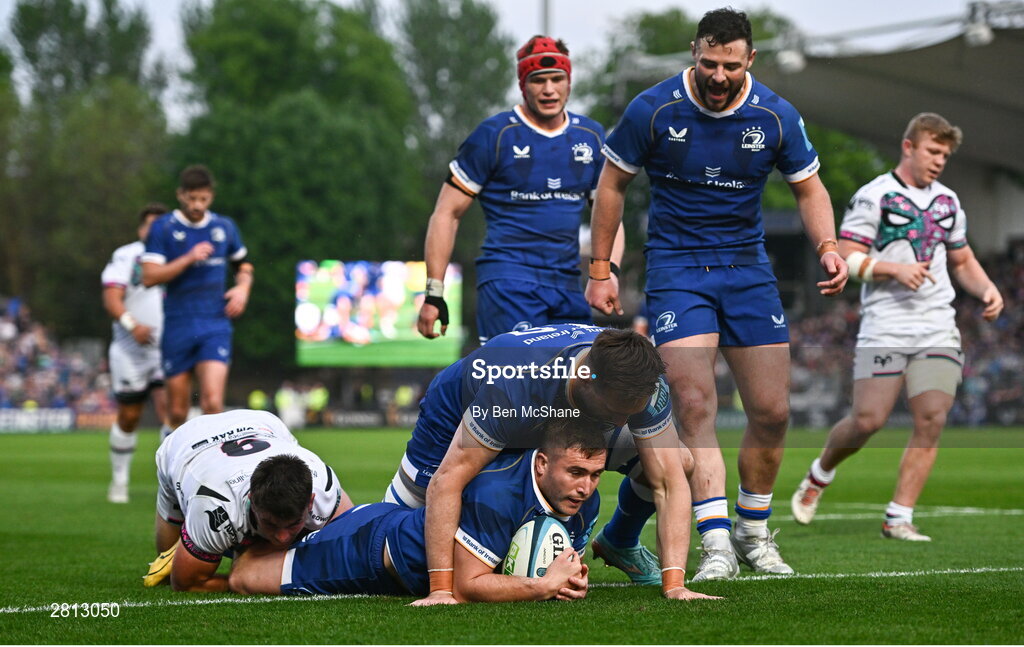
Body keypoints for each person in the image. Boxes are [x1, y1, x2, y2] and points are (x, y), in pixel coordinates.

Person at [585, 8, 848, 581]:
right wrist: (601, 269)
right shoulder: (653, 109)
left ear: (749, 60)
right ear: (693, 53)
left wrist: (828, 245)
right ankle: (717, 545)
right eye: (709, 62)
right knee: (697, 405)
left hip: (748, 271)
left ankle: (754, 532)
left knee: (773, 413)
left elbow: (810, 189)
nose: (719, 75)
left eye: (731, 64)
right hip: (678, 270)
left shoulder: (776, 116)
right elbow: (612, 186)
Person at [790, 113, 1003, 541]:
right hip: (886, 324)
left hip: (937, 325)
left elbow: (961, 260)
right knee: (868, 420)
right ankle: (819, 474)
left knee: (932, 419)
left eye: (945, 153)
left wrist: (987, 289)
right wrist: (892, 270)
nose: (939, 160)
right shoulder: (875, 196)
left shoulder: (948, 202)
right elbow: (845, 256)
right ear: (909, 147)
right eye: (932, 150)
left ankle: (898, 516)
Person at [386, 323, 706, 604]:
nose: (624, 422)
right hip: (462, 409)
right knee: (402, 523)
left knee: (680, 461)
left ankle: (619, 541)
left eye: (631, 414)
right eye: (617, 411)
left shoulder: (643, 385)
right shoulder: (514, 387)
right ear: (586, 382)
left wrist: (675, 585)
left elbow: (669, 482)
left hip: (567, 414)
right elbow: (448, 480)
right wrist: (441, 590)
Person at [230, 419, 717, 602]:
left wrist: (571, 576)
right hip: (375, 553)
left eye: (594, 475)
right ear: (542, 463)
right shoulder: (497, 493)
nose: (587, 487)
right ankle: (231, 528)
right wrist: (541, 585)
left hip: (397, 531)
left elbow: (545, 557)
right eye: (575, 473)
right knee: (246, 578)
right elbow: (468, 585)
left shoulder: (584, 503)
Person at [416, 35, 625, 344]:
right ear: (523, 85)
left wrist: (608, 274)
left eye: (558, 79)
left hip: (568, 285)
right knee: (516, 384)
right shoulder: (495, 135)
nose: (549, 89)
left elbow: (609, 215)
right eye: (539, 80)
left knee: (574, 386)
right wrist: (434, 292)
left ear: (569, 82)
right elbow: (446, 214)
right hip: (508, 283)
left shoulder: (590, 136)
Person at [142, 409, 353, 592]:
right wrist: (243, 580)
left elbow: (350, 549)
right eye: (270, 523)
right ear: (252, 500)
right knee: (167, 564)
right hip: (186, 444)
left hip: (261, 425)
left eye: (293, 524)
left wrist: (256, 562)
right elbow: (186, 583)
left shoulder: (323, 485)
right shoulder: (215, 505)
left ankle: (224, 538)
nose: (281, 537)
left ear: (310, 502)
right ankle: (197, 533)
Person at [141, 165, 253, 429]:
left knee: (213, 403)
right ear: (180, 195)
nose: (197, 205)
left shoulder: (224, 227)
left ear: (211, 197)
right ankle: (170, 467)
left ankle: (212, 470)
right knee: (178, 412)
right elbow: (149, 276)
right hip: (178, 323)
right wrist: (188, 258)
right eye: (192, 199)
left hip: (215, 322)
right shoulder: (163, 228)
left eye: (203, 199)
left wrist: (243, 288)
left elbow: (244, 265)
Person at [101, 203, 173, 503]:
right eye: (150, 226)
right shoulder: (126, 255)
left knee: (173, 415)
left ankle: (173, 488)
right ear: (140, 229)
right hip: (131, 350)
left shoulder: (178, 255)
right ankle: (119, 481)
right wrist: (133, 325)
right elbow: (111, 297)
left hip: (168, 349)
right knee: (129, 416)